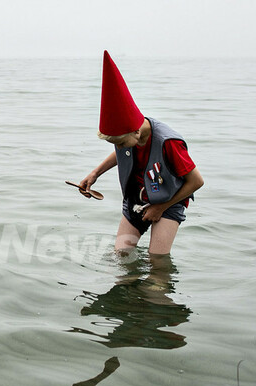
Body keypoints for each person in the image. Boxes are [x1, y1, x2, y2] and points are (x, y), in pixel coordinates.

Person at [78, 51, 204, 255]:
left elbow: (196, 181)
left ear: (136, 132)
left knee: (157, 262)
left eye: (120, 143)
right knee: (121, 255)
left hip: (169, 200)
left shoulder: (168, 143)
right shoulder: (128, 138)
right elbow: (122, 152)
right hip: (136, 199)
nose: (119, 149)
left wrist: (160, 208)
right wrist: (95, 173)